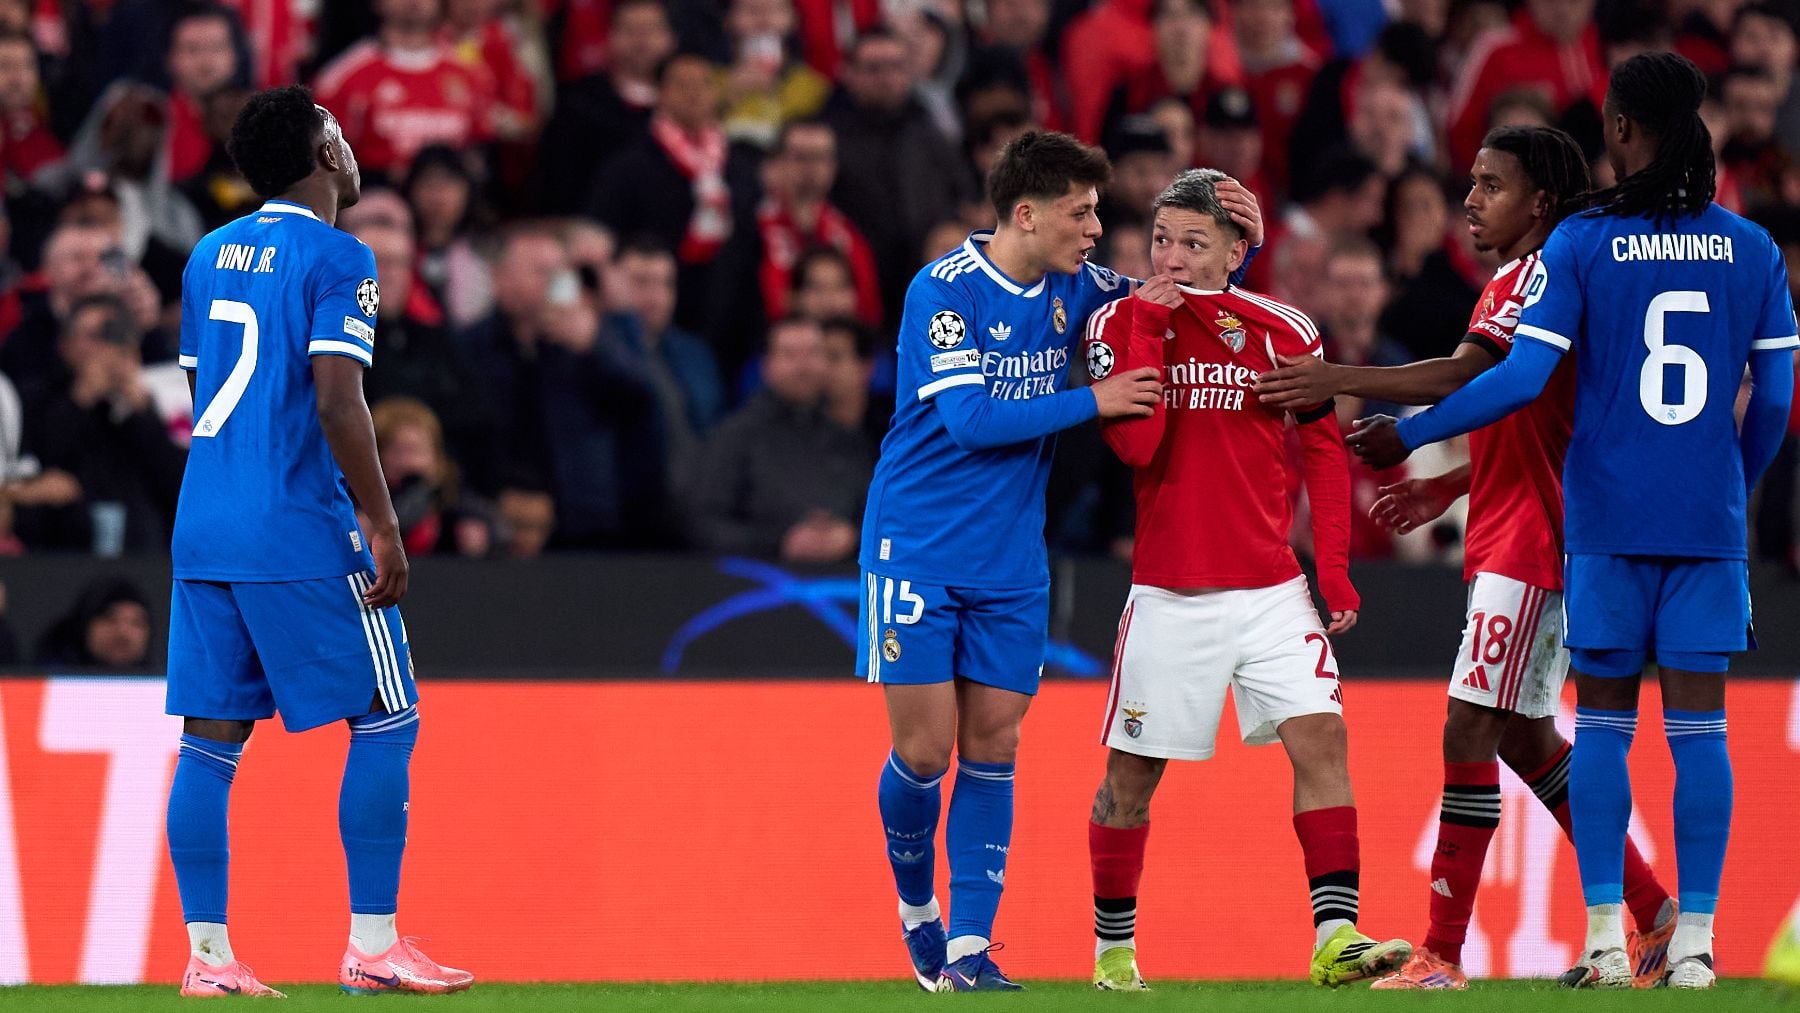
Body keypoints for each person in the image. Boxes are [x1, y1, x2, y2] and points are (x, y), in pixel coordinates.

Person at [1347, 53, 1797, 990]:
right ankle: (1692, 945)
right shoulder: (1752, 248)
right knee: (1695, 736)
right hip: (1702, 528)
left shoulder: (1584, 248)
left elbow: (1516, 379)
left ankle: (1583, 940)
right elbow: (1777, 403)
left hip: (1591, 527)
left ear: (1624, 132)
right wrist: (1726, 486)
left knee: (1588, 730)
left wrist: (1414, 435)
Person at [1256, 125, 1678, 990]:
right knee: (1525, 738)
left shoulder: (1538, 274)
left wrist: (1340, 377)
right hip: (1519, 517)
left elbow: (1464, 376)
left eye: (1492, 185)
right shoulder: (1534, 275)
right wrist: (1450, 486)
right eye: (1474, 182)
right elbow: (1532, 411)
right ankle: (1654, 911)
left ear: (1542, 201)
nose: (1472, 200)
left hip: (1534, 536)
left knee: (1468, 726)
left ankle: (1442, 953)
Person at [164, 85, 473, 997]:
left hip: (206, 520)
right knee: (388, 713)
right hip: (295, 520)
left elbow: (200, 393)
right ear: (321, 151)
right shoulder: (342, 255)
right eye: (334, 124)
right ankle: (373, 943)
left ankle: (208, 960)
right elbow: (340, 398)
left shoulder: (207, 255)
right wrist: (382, 521)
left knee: (209, 742)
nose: (346, 136)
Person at [1081, 168, 1407, 993]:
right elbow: (1136, 450)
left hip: (1270, 587)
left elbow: (1325, 448)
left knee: (1323, 737)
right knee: (1131, 776)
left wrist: (1331, 570)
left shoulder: (1284, 326)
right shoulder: (1119, 321)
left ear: (1236, 250)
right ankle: (1113, 952)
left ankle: (1336, 937)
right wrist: (1152, 328)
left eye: (1195, 242)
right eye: (1162, 240)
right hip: (1170, 589)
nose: (1174, 256)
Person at [862, 130, 1161, 992]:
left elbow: (1168, 300)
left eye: (1098, 210)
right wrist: (1092, 399)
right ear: (1025, 214)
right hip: (915, 547)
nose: (1097, 228)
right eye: (1081, 211)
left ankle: (968, 948)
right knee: (925, 753)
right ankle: (918, 908)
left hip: (1011, 561)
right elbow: (970, 423)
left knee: (995, 745)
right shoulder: (943, 293)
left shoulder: (1078, 285)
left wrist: (1235, 251)